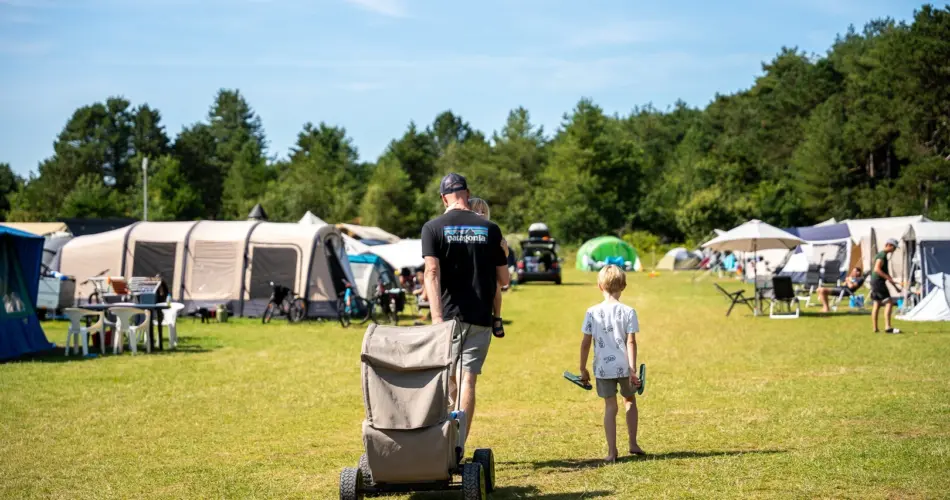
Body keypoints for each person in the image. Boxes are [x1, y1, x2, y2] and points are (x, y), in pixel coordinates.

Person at [422, 173, 509, 443]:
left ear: (443, 198)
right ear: (467, 194)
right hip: (480, 317)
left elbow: (432, 272)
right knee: (467, 381)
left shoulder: (432, 228)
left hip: (446, 318)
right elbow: (504, 280)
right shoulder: (490, 229)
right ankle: (458, 446)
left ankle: (440, 442)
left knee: (446, 380)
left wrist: (436, 318)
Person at [578, 265, 644, 462]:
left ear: (600, 286)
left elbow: (585, 343)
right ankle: (632, 443)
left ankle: (612, 452)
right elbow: (631, 342)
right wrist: (632, 369)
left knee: (610, 406)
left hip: (602, 369)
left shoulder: (591, 312)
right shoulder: (629, 311)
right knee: (629, 400)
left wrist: (582, 369)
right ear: (623, 286)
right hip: (625, 367)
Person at [469, 197, 508, 338]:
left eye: (483, 211)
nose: (480, 213)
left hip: (489, 273)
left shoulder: (493, 231)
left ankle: (497, 316)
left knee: (496, 285)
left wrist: (505, 251)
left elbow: (503, 257)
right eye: (476, 210)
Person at [870, 238, 902, 334]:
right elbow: (877, 269)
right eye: (894, 247)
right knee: (889, 302)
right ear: (888, 245)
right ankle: (888, 327)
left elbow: (885, 273)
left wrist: (895, 287)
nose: (894, 250)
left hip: (875, 281)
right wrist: (888, 278)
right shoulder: (882, 255)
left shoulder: (881, 255)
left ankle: (875, 328)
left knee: (877, 303)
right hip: (878, 282)